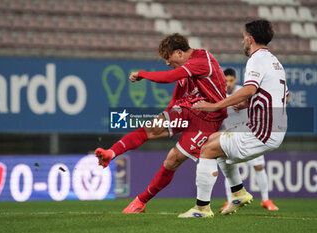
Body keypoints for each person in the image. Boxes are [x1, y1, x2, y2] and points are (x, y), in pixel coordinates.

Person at [95, 33, 227, 215]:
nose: (166, 62)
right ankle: (111, 153)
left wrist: (142, 74)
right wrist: (167, 116)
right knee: (151, 126)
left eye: (168, 57)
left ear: (180, 53)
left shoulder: (201, 60)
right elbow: (177, 96)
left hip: (208, 118)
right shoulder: (185, 68)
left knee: (172, 159)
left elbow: (169, 77)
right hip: (188, 109)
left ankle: (141, 201)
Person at [179, 19, 288, 217]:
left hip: (262, 130)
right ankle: (237, 193)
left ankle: (201, 209)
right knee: (214, 143)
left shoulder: (256, 59)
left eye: (242, 38)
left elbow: (249, 89)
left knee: (206, 148)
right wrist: (247, 104)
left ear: (250, 39)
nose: (242, 42)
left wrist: (214, 106)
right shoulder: (275, 62)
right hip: (271, 128)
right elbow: (284, 96)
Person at [220, 68, 279, 211]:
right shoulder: (219, 95)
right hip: (231, 136)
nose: (228, 83)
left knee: (258, 167)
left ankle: (265, 199)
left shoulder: (244, 92)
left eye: (231, 80)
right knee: (230, 167)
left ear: (235, 80)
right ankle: (230, 200)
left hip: (249, 134)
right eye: (225, 80)